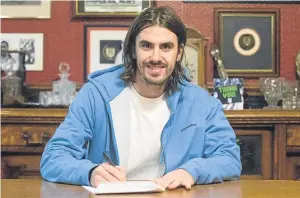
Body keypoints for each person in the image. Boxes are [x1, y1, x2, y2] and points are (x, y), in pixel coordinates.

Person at [40, 6, 241, 190]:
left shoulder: (202, 103)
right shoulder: (95, 94)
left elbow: (229, 159)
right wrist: (90, 172)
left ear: (179, 52)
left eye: (166, 47)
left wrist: (192, 171)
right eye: (146, 46)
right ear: (133, 50)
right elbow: (53, 158)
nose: (155, 57)